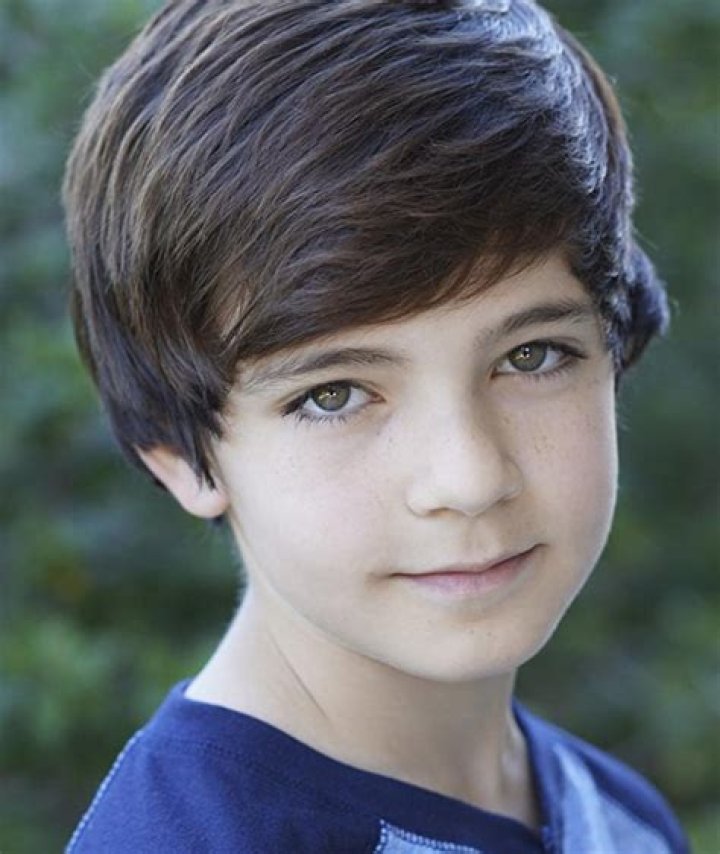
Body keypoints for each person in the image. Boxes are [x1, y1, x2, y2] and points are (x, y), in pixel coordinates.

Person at [62, 0, 689, 851]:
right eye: (334, 395)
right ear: (178, 450)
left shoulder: (622, 820)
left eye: (532, 355)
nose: (469, 478)